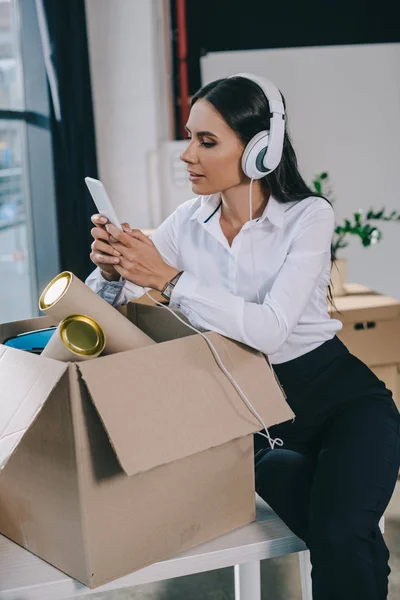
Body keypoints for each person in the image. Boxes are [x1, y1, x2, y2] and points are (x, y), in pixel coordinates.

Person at [85, 75, 400, 600]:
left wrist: (167, 279)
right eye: (190, 137)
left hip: (342, 397)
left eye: (207, 142)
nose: (188, 155)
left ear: (259, 151)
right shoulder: (187, 222)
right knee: (347, 538)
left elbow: (272, 330)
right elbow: (103, 310)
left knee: (341, 536)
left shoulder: (307, 216)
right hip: (255, 416)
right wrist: (114, 271)